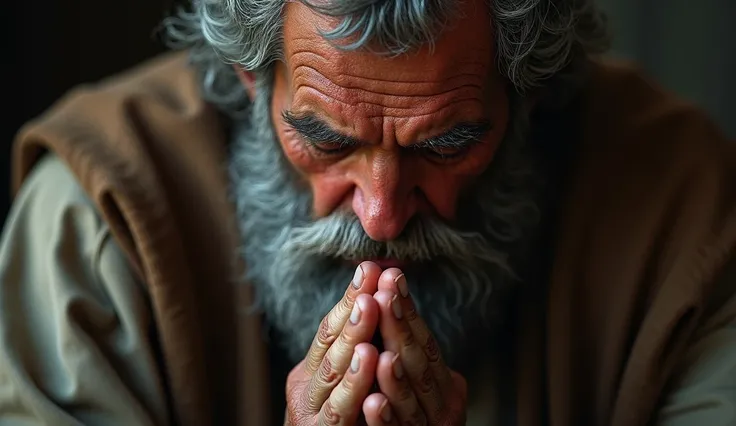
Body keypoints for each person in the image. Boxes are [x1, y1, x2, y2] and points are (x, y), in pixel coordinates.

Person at [1, 0, 735, 424]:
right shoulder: (97, 223)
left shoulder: (683, 213)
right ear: (250, 81)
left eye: (446, 145)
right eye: (325, 140)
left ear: (529, 97)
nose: (381, 216)